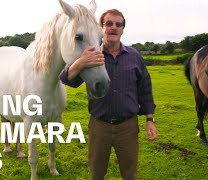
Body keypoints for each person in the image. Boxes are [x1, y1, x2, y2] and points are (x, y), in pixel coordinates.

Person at [59, 9, 157, 180]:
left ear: (122, 29)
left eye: (118, 24)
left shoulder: (134, 57)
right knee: (96, 174)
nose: (113, 27)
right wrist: (80, 63)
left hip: (128, 127)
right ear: (101, 27)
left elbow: (145, 90)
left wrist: (150, 119)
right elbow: (66, 79)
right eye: (109, 23)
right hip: (99, 127)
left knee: (130, 174)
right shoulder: (90, 54)